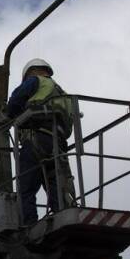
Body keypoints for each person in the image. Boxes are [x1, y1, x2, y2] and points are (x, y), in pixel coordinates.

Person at [6, 58, 77, 225]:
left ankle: (29, 224)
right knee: (55, 184)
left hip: (36, 139)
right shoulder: (64, 95)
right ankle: (61, 215)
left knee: (26, 187)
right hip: (58, 145)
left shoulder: (35, 81)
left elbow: (15, 101)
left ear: (32, 71)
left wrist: (10, 116)